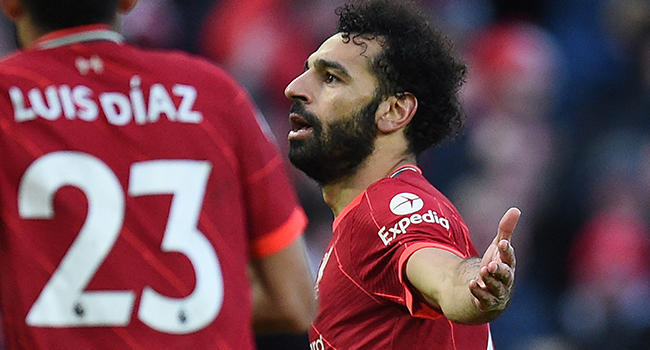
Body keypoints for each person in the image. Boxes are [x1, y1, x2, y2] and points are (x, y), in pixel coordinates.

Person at [0, 0, 315, 349]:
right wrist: (163, 301)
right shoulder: (215, 95)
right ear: (129, 1)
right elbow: (293, 300)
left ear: (10, 4)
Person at [283, 0, 520, 349]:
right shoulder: (359, 220)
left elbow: (446, 276)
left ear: (394, 111)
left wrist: (474, 286)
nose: (294, 88)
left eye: (331, 78)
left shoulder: (387, 207)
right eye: (307, 71)